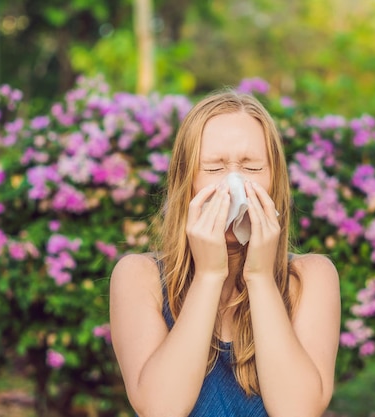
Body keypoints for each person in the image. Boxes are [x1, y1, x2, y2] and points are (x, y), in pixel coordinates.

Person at [110, 90, 341, 417]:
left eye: (251, 167)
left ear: (275, 180)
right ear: (186, 182)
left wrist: (260, 277)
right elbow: (160, 409)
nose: (235, 184)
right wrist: (208, 275)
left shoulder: (310, 278)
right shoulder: (139, 277)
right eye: (215, 168)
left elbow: (298, 411)